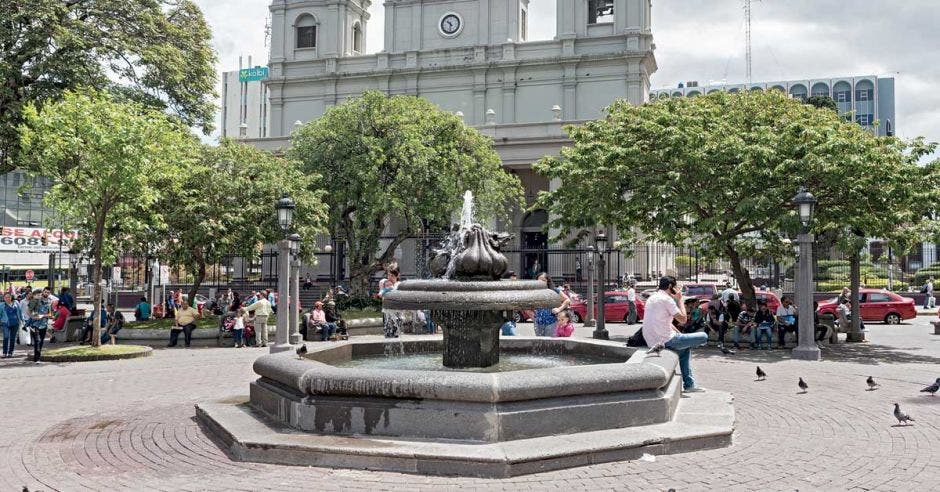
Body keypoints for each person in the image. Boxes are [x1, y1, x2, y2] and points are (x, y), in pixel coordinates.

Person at [642, 276, 706, 392]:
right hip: (666, 340)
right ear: (671, 287)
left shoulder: (653, 298)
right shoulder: (667, 300)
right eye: (675, 287)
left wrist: (680, 335)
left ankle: (689, 385)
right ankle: (689, 385)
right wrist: (680, 300)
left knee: (685, 349)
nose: (677, 290)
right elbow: (683, 319)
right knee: (703, 336)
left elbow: (665, 322)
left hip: (651, 340)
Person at [533, 273, 570, 337]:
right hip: (538, 323)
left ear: (547, 281)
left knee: (550, 344)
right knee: (539, 344)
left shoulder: (554, 291)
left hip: (551, 322)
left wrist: (559, 309)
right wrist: (532, 315)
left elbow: (567, 300)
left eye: (543, 280)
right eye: (539, 280)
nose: (541, 282)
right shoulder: (535, 291)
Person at [26, 288, 52, 363]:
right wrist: (33, 317)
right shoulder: (34, 301)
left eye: (48, 292)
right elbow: (28, 311)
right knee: (37, 340)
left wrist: (43, 316)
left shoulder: (49, 302)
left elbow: (50, 314)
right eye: (45, 292)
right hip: (34, 324)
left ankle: (36, 356)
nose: (40, 296)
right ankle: (38, 358)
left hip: (43, 324)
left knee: (41, 342)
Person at [1, 293, 20, 358]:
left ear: (11, 297)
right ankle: (4, 352)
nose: (7, 299)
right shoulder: (1, 305)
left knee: (12, 338)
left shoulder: (16, 303)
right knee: (6, 337)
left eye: (8, 297)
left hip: (15, 323)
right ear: (4, 298)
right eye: (5, 297)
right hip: (5, 323)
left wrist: (22, 320)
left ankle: (10, 352)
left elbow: (20, 312)